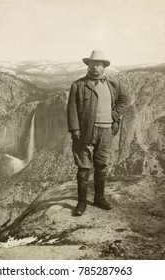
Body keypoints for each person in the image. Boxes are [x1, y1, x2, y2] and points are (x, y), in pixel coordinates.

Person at [67, 50, 129, 216]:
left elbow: (125, 100)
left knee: (101, 165)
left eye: (98, 65)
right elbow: (72, 109)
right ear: (88, 66)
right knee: (83, 167)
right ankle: (81, 202)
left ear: (104, 67)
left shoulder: (113, 84)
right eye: (92, 64)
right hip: (85, 132)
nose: (95, 67)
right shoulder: (78, 85)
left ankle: (99, 198)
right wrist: (75, 129)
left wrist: (114, 115)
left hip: (106, 130)